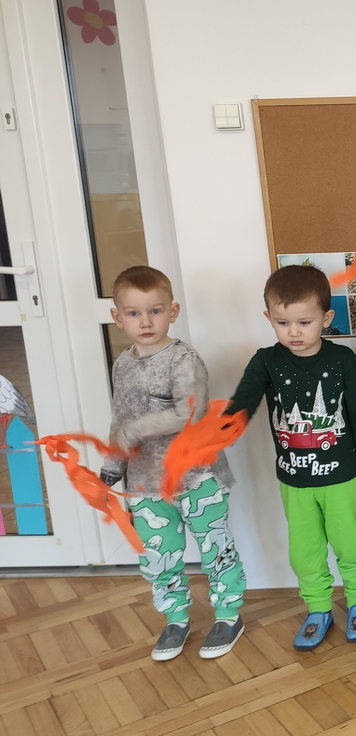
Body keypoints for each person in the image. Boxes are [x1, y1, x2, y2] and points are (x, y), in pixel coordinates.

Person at [227, 265, 356, 650]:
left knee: (350, 544)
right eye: (283, 323)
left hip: (342, 477)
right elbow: (244, 400)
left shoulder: (342, 359)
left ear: (326, 318)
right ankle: (318, 608)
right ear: (269, 318)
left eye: (304, 322)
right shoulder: (266, 360)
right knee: (305, 551)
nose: (293, 332)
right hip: (294, 481)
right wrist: (222, 429)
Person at [101, 266, 246, 661]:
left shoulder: (183, 359)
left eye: (155, 311)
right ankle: (176, 619)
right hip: (145, 483)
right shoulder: (122, 364)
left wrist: (133, 432)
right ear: (117, 317)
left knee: (216, 549)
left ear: (173, 311)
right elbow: (119, 418)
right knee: (159, 555)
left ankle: (229, 614)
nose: (146, 322)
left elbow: (190, 413)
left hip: (198, 479)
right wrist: (113, 464)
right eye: (133, 313)